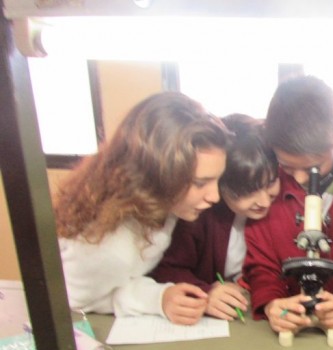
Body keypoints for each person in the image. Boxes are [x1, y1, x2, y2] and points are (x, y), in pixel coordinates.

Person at [54, 92, 229, 325]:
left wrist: (162, 296)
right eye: (199, 183)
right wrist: (155, 300)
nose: (214, 196)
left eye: (217, 179)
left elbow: (132, 278)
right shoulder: (105, 247)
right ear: (156, 174)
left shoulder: (163, 204)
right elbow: (76, 301)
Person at [243, 75, 333, 335]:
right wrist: (272, 303)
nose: (300, 179)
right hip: (293, 327)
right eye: (287, 166)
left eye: (313, 167)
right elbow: (262, 265)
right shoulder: (269, 189)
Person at [151, 114, 280, 322]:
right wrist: (206, 291)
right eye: (248, 191)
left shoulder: (282, 207)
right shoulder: (196, 216)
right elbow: (167, 268)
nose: (264, 201)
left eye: (271, 183)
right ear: (220, 183)